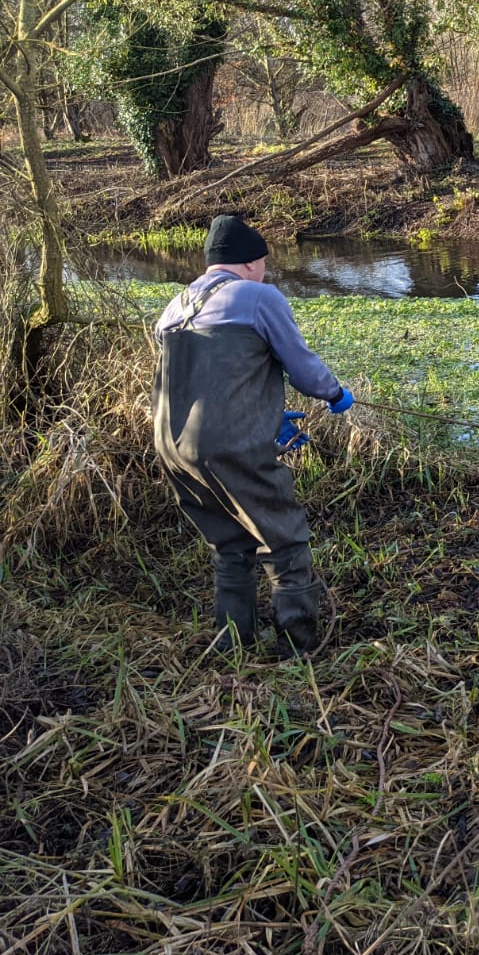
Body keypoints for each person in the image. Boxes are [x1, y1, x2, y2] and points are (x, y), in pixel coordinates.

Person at [153, 215, 353, 657]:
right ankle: (299, 648)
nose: (266, 270)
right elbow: (302, 368)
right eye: (263, 262)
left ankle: (232, 645)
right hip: (229, 444)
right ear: (248, 263)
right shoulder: (258, 296)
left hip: (172, 444)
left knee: (229, 544)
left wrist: (266, 415)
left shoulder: (175, 306)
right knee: (284, 540)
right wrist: (334, 393)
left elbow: (206, 379)